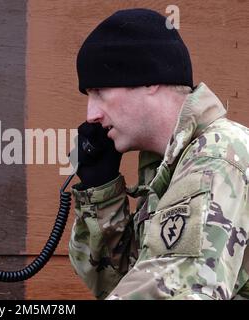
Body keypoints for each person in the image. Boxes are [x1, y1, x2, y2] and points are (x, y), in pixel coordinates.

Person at [68, 8, 249, 300]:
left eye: (99, 91)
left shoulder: (216, 159)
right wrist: (100, 192)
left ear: (150, 80)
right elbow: (124, 282)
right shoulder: (167, 166)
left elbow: (175, 292)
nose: (91, 114)